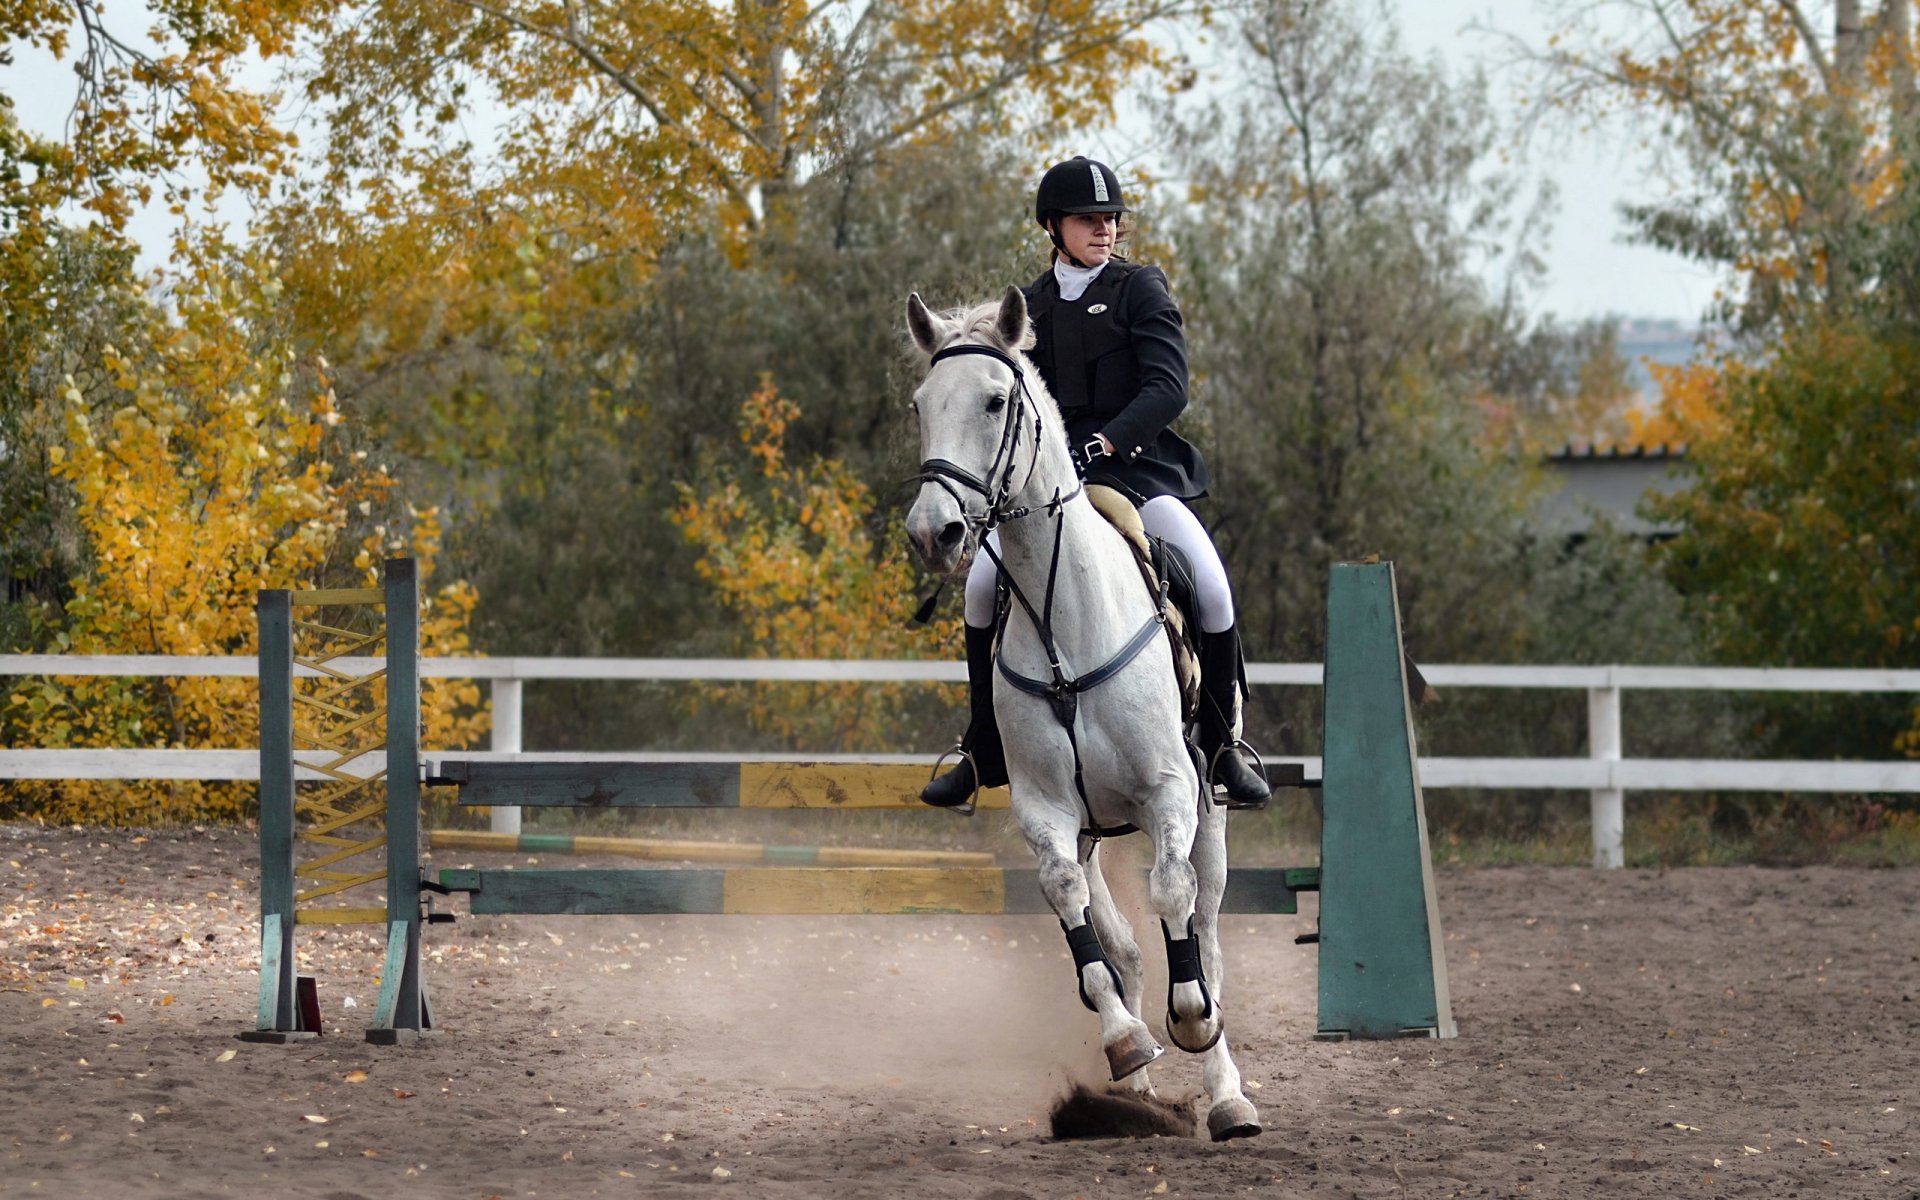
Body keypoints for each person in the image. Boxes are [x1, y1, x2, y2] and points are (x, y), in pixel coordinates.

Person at [920, 155, 1271, 811]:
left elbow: (1168, 387)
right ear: (1053, 226)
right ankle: (981, 747)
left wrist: (1105, 440)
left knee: (1213, 586)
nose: (1105, 229)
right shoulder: (1028, 308)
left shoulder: (1142, 289)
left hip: (1138, 471)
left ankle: (1223, 747)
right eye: (1089, 219)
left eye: (1111, 219)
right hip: (1050, 488)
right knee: (980, 586)